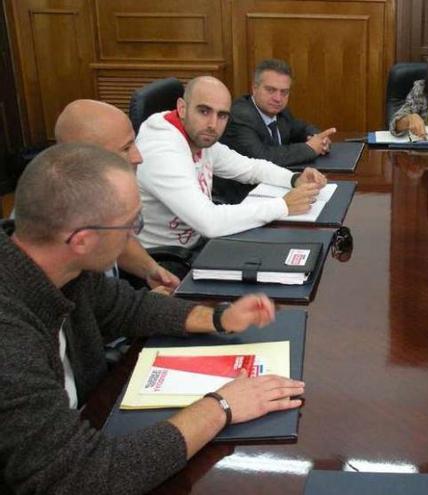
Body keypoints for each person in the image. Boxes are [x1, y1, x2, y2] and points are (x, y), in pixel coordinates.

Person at [0, 143, 305, 493]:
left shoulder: (63, 266)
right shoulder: (9, 339)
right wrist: (221, 406)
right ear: (81, 240)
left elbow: (130, 308)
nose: (135, 235)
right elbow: (85, 478)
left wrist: (221, 318)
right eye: (131, 224)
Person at [136, 76, 327, 250]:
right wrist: (283, 205)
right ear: (182, 108)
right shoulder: (161, 151)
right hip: (166, 259)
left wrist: (294, 179)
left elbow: (250, 167)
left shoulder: (199, 137)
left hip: (199, 243)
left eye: (222, 115)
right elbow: (209, 222)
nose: (212, 124)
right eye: (204, 111)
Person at [54, 99, 179, 292]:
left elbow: (117, 239)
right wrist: (141, 314)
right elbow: (86, 316)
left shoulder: (101, 191)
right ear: (86, 160)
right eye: (126, 149)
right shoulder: (59, 226)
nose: (139, 157)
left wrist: (150, 269)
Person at [217, 58, 337, 204]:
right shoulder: (240, 116)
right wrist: (310, 148)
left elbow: (301, 128)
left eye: (284, 92)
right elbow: (262, 156)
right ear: (254, 88)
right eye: (271, 90)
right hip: (240, 198)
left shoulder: (280, 111)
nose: (278, 98)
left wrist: (319, 138)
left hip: (275, 186)